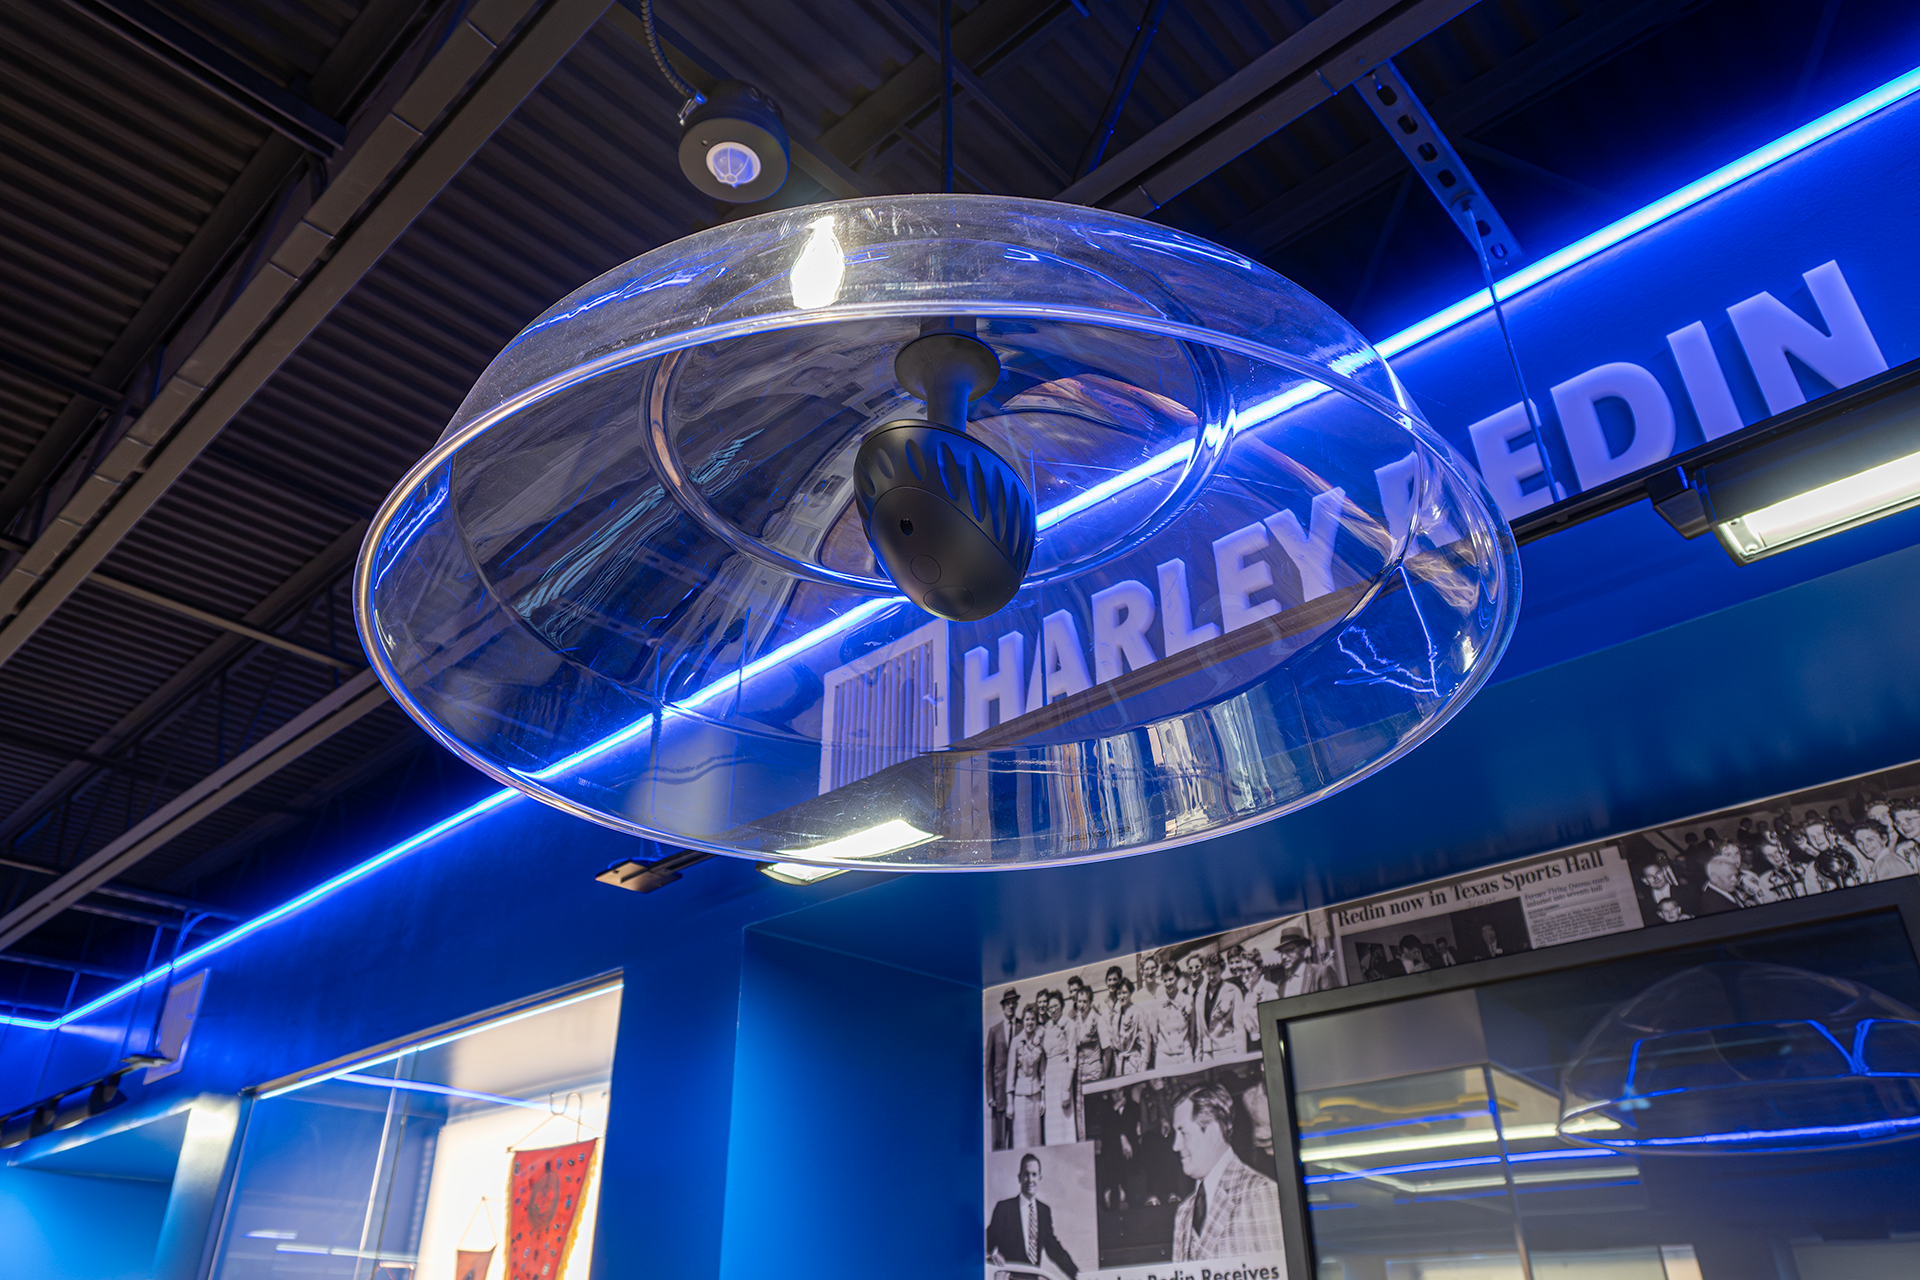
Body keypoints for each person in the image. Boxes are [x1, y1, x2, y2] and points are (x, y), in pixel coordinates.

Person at [1169, 1083, 1286, 1260]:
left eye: (1183, 1133)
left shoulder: (1260, 1192)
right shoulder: (1184, 1212)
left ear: (1213, 1131)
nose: (1176, 1146)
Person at [987, 1153, 1080, 1279]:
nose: (1030, 1180)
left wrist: (1076, 1274)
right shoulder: (1004, 1209)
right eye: (1026, 1174)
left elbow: (1053, 1249)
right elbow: (985, 1243)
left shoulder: (1044, 1211)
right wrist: (990, 1256)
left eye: (1034, 1174)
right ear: (1019, 1178)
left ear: (1039, 1177)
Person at [1197, 952, 1248, 1058]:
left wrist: (1242, 1056)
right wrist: (1198, 1056)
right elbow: (1199, 1031)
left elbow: (1239, 1027)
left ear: (1222, 970)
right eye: (1208, 974)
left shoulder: (1233, 990)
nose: (1211, 977)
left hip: (1228, 1050)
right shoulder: (1200, 994)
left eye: (1215, 973)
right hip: (1207, 1054)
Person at [1009, 1005, 1047, 1148]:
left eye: (1032, 1019)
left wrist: (1042, 1099)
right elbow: (1010, 1074)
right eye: (1027, 1019)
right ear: (1023, 1021)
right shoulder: (1016, 1042)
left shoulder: (1040, 1042)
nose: (1029, 1023)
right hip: (1020, 1097)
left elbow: (1042, 1072)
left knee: (1035, 1138)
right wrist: (1009, 1103)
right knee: (1021, 1138)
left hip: (1035, 1096)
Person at [1040, 990, 1074, 1145]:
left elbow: (1072, 1057)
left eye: (1055, 1006)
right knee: (1052, 1124)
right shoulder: (1046, 1028)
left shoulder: (1069, 1024)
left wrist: (1066, 1089)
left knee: (1065, 1122)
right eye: (1050, 1007)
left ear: (1062, 1005)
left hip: (1063, 1076)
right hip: (1050, 1078)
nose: (1053, 1010)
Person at [987, 987, 1019, 1149]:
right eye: (1007, 1003)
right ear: (1003, 1006)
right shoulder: (994, 1031)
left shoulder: (1022, 1026)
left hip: (1017, 1091)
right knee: (998, 1140)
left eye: (1013, 1003)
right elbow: (989, 1066)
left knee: (1016, 1138)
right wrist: (990, 1095)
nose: (1010, 1006)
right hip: (999, 1093)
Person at [1273, 922, 1336, 997]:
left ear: (1302, 949)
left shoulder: (1320, 973)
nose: (1283, 956)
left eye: (1289, 950)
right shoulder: (1282, 984)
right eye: (1281, 952)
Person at [1694, 847, 1752, 913]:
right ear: (1714, 877)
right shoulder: (1712, 906)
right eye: (1730, 876)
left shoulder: (1726, 889)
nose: (1735, 879)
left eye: (1736, 875)